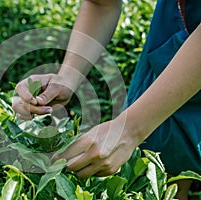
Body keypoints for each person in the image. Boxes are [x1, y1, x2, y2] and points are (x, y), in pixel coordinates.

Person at [12, 0, 201, 199]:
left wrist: (132, 128)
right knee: (164, 145)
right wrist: (68, 76)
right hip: (179, 14)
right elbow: (101, 3)